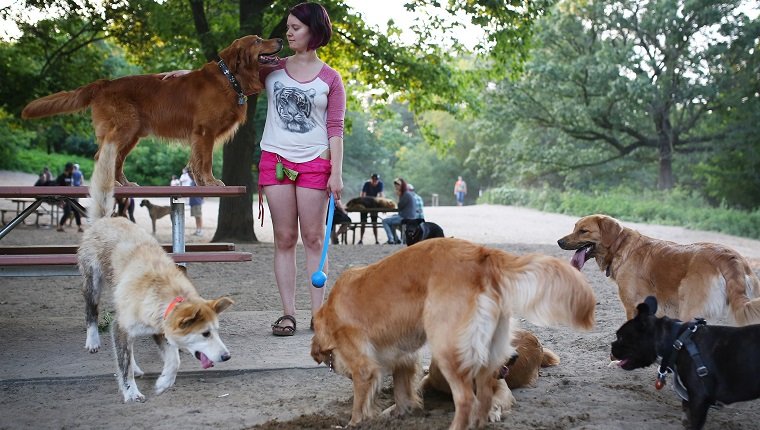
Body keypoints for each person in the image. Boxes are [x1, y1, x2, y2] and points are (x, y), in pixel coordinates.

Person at [162, 2, 345, 336]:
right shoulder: (270, 69)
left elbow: (335, 127)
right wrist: (187, 77)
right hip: (276, 159)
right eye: (288, 27)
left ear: (315, 32)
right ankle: (288, 313)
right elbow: (221, 77)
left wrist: (336, 171)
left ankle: (319, 316)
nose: (288, 33)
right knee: (285, 238)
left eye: (295, 28)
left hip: (315, 162)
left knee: (315, 238)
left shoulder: (331, 78)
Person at [382, 177, 416, 244]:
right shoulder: (407, 193)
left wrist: (398, 196)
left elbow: (400, 207)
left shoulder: (405, 194)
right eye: (396, 185)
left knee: (385, 221)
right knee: (390, 220)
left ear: (402, 185)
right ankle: (396, 239)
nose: (396, 187)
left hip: (406, 217)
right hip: (405, 215)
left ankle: (391, 239)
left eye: (398, 185)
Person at [55, 162, 83, 232]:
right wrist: (60, 200)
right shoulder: (61, 177)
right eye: (72, 168)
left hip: (71, 197)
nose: (73, 169)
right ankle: (60, 226)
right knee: (67, 212)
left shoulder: (71, 175)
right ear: (68, 168)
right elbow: (56, 187)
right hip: (64, 198)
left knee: (77, 210)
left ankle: (79, 227)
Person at [357, 172, 384, 244]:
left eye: (376, 180)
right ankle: (361, 239)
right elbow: (363, 195)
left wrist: (382, 204)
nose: (374, 181)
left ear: (378, 180)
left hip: (374, 204)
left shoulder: (380, 184)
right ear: (371, 179)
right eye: (373, 179)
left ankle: (376, 240)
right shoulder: (367, 184)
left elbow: (381, 195)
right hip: (365, 204)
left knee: (374, 223)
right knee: (363, 222)